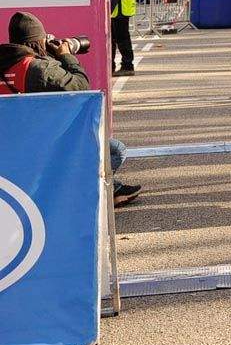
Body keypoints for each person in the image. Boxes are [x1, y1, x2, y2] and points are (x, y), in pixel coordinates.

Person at [1, 11, 142, 206]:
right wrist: (66, 56)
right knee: (116, 150)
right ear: (37, 42)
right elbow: (80, 85)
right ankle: (82, 197)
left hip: (8, 151)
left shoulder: (8, 65)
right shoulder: (37, 69)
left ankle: (113, 189)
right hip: (43, 150)